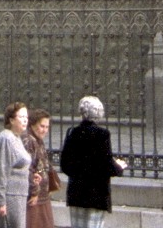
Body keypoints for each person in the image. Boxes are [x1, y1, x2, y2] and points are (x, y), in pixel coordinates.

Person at [59, 95, 126, 228]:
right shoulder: (102, 134)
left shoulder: (72, 132)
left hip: (76, 192)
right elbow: (106, 165)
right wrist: (119, 167)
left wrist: (79, 172)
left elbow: (65, 165)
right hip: (96, 193)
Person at [0, 101, 32, 228]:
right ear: (12, 120)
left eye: (26, 117)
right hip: (10, 196)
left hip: (19, 196)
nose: (25, 120)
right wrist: (0, 201)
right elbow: (1, 170)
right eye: (21, 117)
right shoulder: (6, 139)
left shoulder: (17, 138)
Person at [25, 108, 55, 228]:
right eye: (42, 126)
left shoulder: (38, 140)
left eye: (47, 127)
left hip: (42, 196)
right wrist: (34, 191)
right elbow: (28, 168)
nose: (45, 130)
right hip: (35, 197)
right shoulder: (29, 141)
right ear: (32, 124)